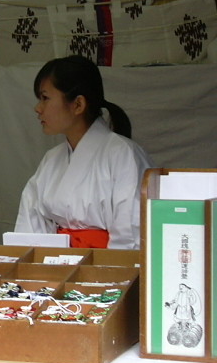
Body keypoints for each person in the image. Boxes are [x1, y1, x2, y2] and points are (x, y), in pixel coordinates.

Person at [14, 55, 152, 249]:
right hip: (55, 268)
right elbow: (30, 225)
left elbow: (131, 231)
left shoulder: (124, 155)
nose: (38, 108)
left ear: (78, 104)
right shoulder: (51, 159)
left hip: (106, 269)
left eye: (45, 98)